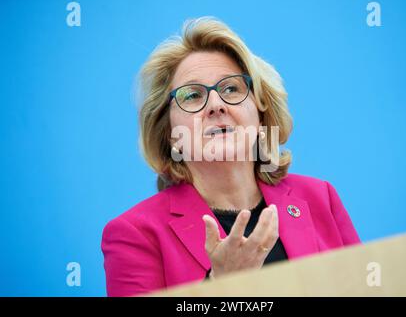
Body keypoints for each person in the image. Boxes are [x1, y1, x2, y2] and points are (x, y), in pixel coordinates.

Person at [101, 16, 361, 297]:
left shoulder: (319, 198)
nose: (216, 105)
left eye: (231, 88)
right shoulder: (134, 234)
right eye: (192, 96)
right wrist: (220, 287)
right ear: (169, 133)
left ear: (261, 115)